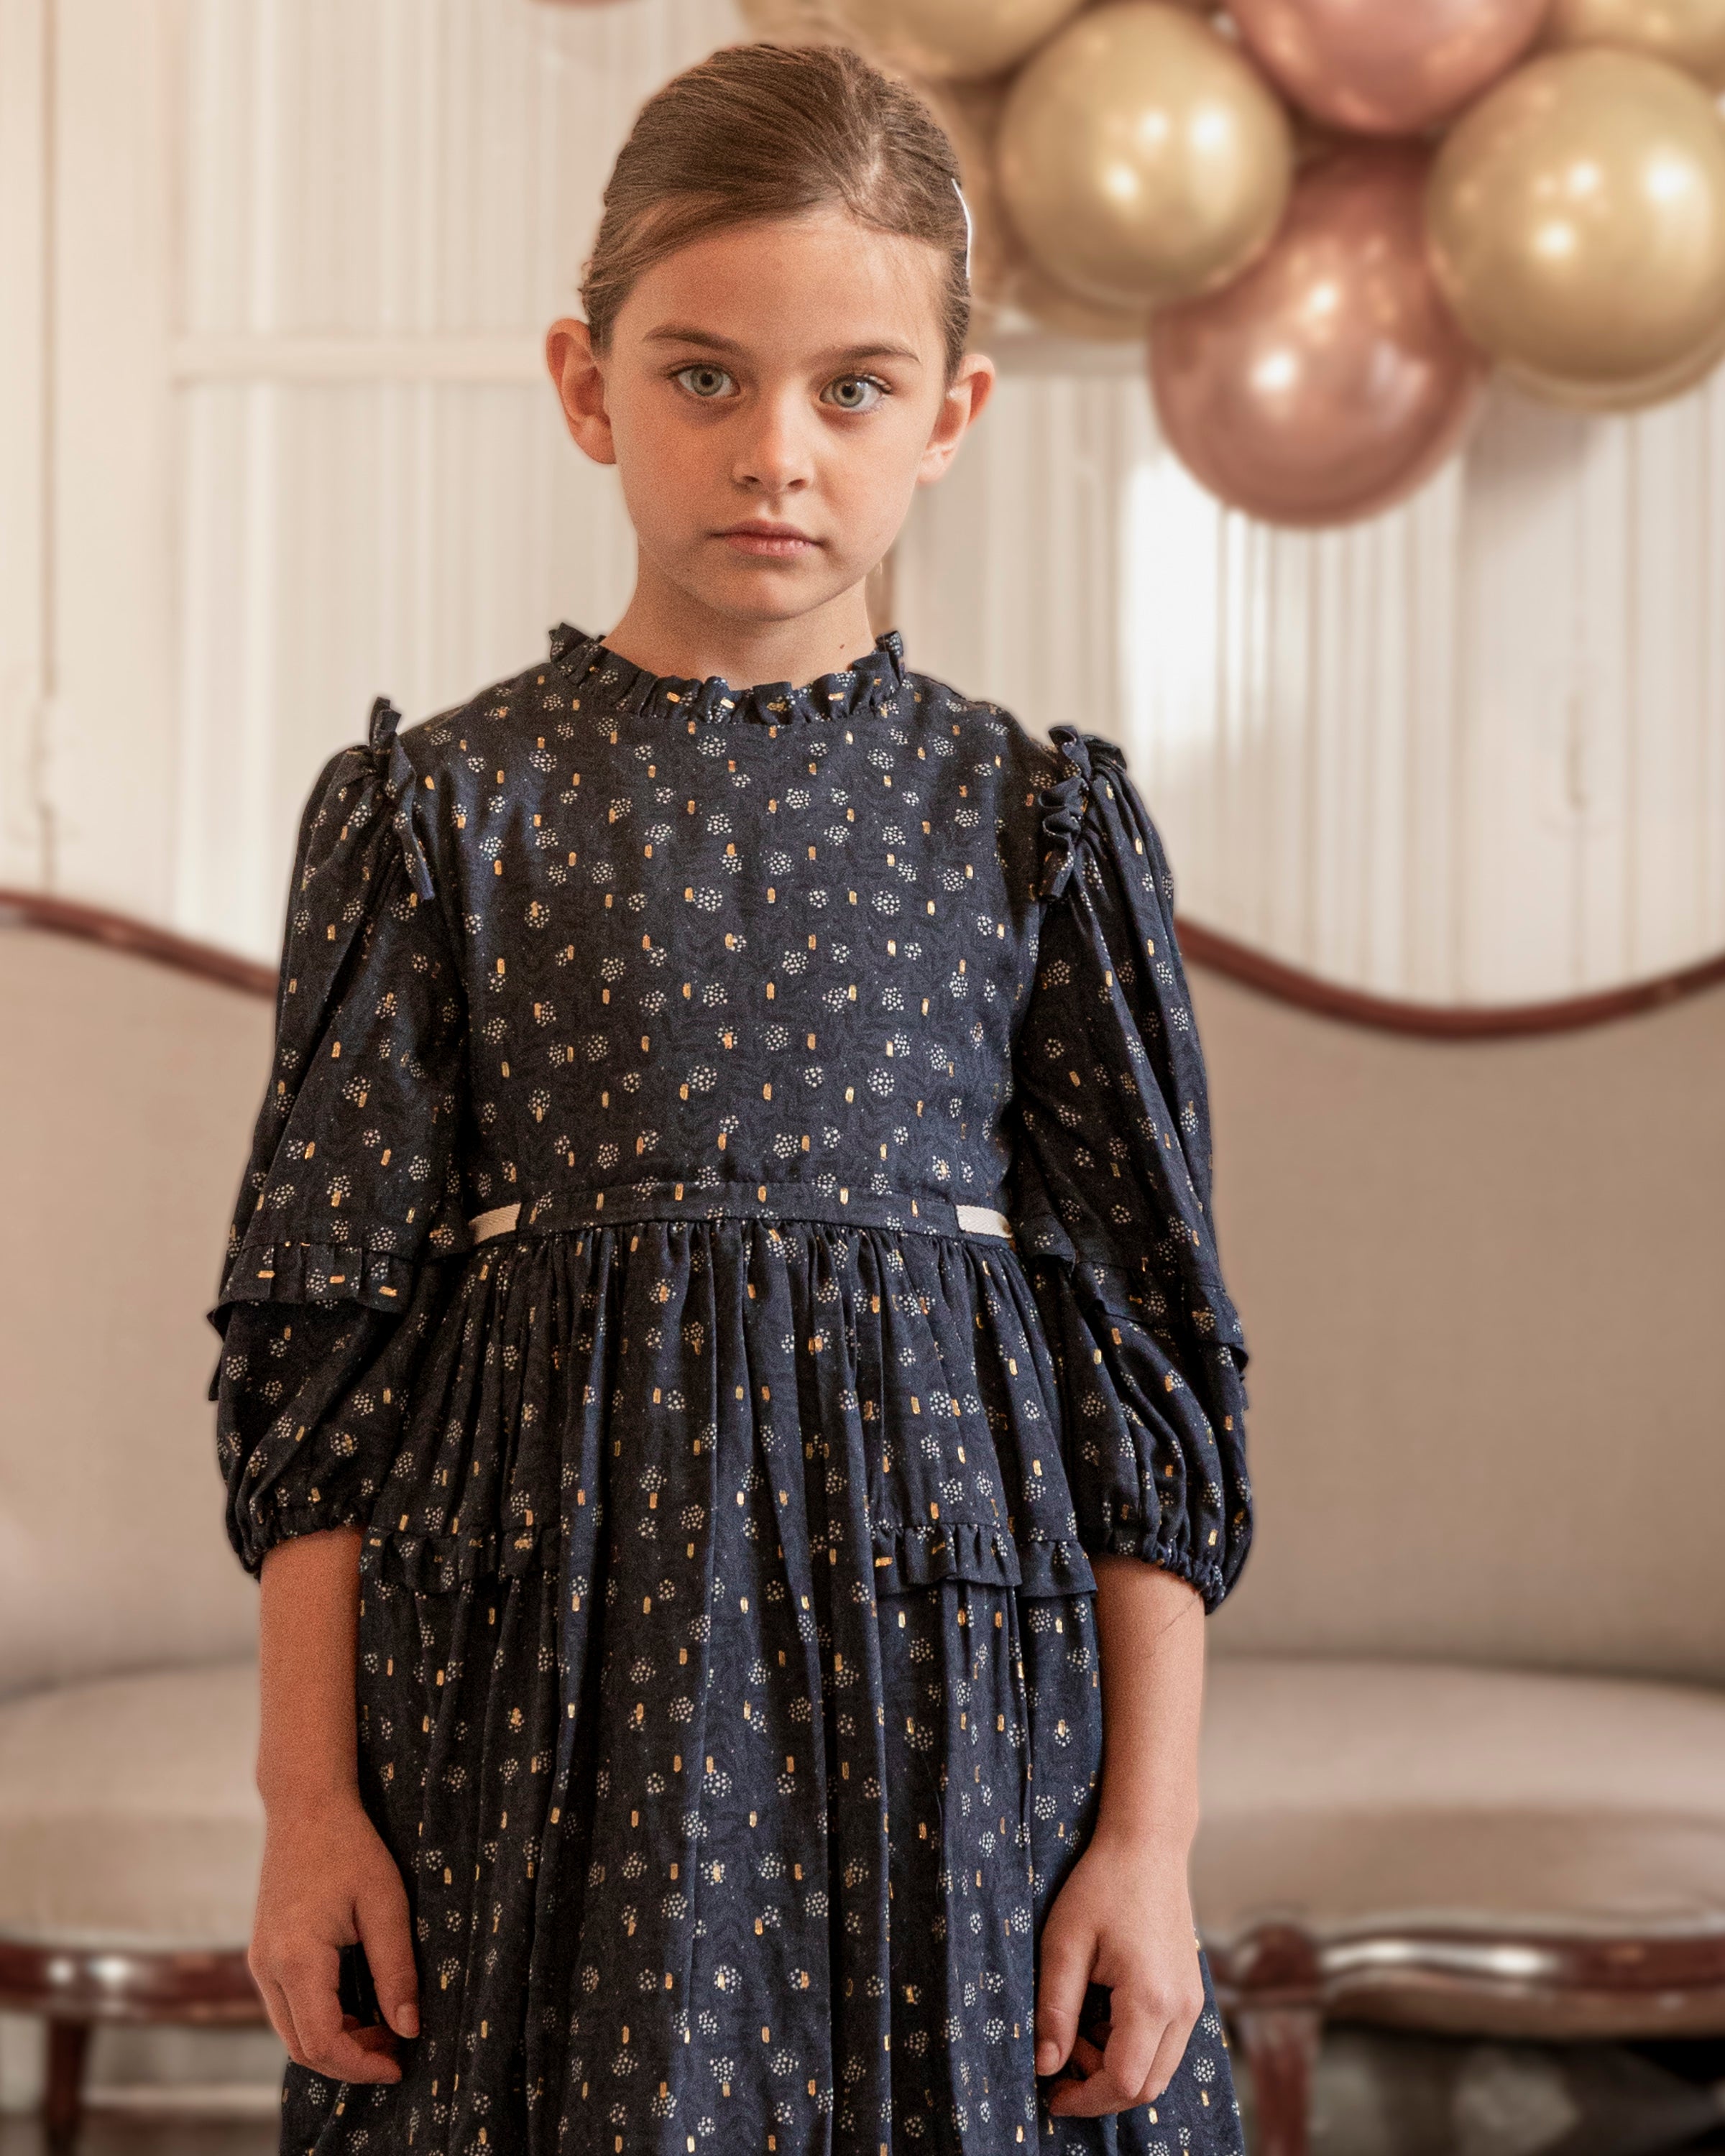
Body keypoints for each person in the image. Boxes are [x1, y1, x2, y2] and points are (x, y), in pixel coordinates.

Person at [211, 37, 1254, 2156]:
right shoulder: (434, 817)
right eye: (705, 377)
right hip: (537, 1712)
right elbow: (325, 1364)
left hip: (957, 1726)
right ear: (587, 384)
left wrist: (1150, 1845)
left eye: (853, 389)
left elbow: (1141, 1376)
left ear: (950, 415)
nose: (777, 452)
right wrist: (308, 1806)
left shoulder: (1034, 828)